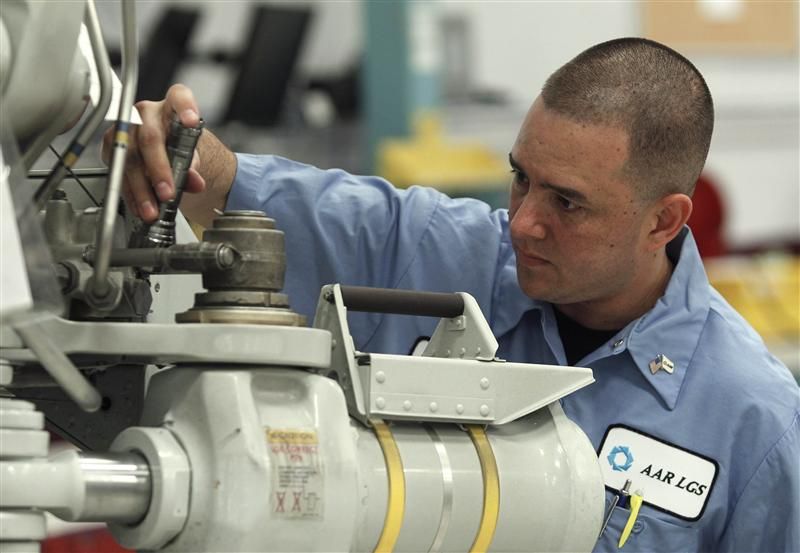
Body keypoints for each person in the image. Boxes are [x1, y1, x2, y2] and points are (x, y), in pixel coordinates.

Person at [114, 38, 799, 552]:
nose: (524, 221)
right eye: (521, 177)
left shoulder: (756, 423)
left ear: (664, 220)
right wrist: (179, 150)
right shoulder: (433, 252)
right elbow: (241, 187)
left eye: (567, 202)